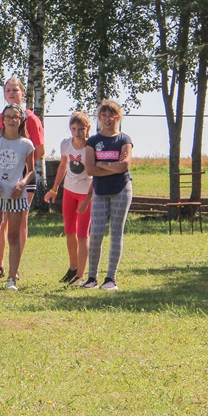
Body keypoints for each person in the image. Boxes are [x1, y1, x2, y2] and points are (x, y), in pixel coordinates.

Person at [0, 78, 45, 282]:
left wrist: (19, 171)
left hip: (24, 179)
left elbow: (39, 149)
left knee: (19, 223)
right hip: (1, 179)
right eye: (8, 90)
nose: (11, 93)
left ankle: (15, 269)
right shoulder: (0, 118)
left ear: (23, 94)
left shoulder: (32, 118)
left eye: (15, 90)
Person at [0, 104, 35, 291]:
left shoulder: (26, 144)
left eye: (15, 116)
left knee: (13, 237)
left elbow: (32, 170)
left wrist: (22, 183)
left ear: (20, 120)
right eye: (8, 116)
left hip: (17, 196)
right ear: (2, 119)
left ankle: (12, 278)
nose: (11, 120)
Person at [81, 100, 133, 291]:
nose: (107, 118)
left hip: (121, 189)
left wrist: (101, 164)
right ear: (99, 118)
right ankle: (92, 277)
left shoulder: (124, 140)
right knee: (95, 234)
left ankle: (111, 278)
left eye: (111, 115)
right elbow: (90, 169)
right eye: (103, 115)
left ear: (117, 117)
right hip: (100, 192)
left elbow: (124, 166)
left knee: (116, 233)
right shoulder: (93, 141)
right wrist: (111, 167)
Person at [45, 111, 92, 285]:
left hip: (86, 193)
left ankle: (81, 274)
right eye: (74, 129)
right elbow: (63, 166)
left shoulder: (91, 147)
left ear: (88, 128)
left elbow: (95, 173)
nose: (77, 133)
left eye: (81, 129)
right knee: (69, 231)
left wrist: (88, 197)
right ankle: (73, 268)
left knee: (82, 234)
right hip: (69, 192)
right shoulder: (66, 144)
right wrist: (54, 189)